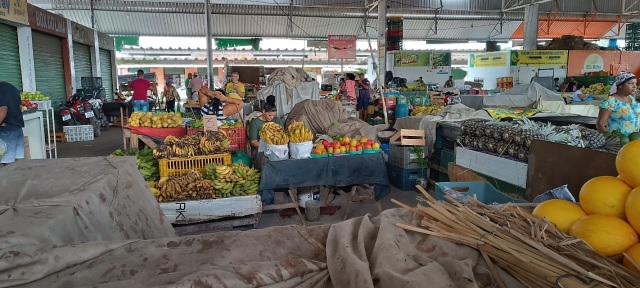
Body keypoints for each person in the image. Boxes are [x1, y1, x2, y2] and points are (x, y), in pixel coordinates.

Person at [0, 80, 25, 166]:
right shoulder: (13, 88)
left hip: (6, 130)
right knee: (18, 162)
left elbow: (3, 109)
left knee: (8, 164)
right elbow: (20, 107)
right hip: (17, 128)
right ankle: (22, 179)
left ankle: (12, 179)